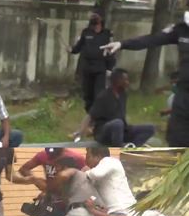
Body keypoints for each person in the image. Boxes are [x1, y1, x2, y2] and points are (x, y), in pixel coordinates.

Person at [101, 11, 189, 146]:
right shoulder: (182, 30)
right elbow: (152, 39)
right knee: (177, 138)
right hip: (184, 93)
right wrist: (122, 44)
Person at [73, 68, 156, 147]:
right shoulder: (104, 96)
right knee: (117, 123)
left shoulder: (123, 94)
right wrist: (81, 131)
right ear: (118, 81)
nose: (127, 82)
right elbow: (90, 115)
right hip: (104, 132)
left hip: (122, 130)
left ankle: (132, 147)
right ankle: (117, 150)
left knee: (150, 128)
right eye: (125, 80)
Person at [68, 8, 115, 113]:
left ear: (101, 18)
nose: (93, 18)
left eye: (95, 17)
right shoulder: (86, 32)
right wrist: (71, 50)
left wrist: (110, 68)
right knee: (87, 94)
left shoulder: (107, 33)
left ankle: (98, 116)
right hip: (87, 67)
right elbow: (78, 47)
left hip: (100, 68)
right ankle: (89, 116)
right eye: (92, 16)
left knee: (98, 94)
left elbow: (111, 52)